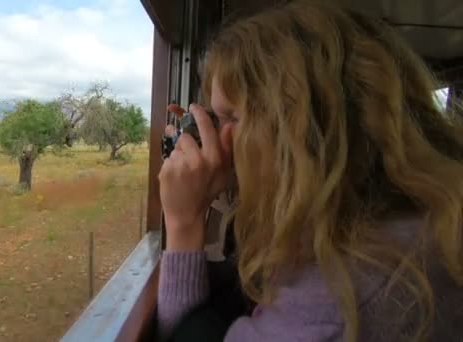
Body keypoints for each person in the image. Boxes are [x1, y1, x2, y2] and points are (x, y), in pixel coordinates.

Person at [156, 1, 463, 341]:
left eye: (231, 119)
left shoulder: (334, 304)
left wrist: (183, 222)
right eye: (213, 120)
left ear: (296, 131)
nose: (219, 143)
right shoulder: (409, 224)